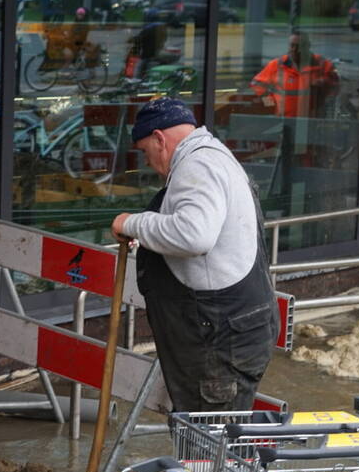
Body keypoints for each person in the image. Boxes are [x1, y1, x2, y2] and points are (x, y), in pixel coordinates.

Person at [110, 98, 277, 412]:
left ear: (160, 138)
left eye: (145, 151)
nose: (147, 161)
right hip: (234, 328)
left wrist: (132, 223)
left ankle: (207, 465)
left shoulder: (197, 165)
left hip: (219, 336)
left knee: (207, 443)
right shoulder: (216, 156)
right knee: (213, 439)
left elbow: (194, 235)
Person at [251, 30, 338, 119]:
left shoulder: (322, 64)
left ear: (308, 46)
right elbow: (256, 84)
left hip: (312, 121)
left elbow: (335, 88)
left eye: (299, 46)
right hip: (283, 121)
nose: (294, 50)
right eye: (292, 45)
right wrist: (269, 103)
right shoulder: (277, 65)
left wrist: (323, 84)